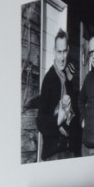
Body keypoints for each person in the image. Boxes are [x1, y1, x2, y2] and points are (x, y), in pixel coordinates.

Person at [30, 29, 79, 160]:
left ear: (68, 50)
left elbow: (74, 115)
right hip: (53, 153)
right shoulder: (49, 80)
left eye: (64, 52)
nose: (62, 58)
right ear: (54, 51)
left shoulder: (68, 81)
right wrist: (58, 120)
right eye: (59, 52)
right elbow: (40, 121)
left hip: (69, 150)